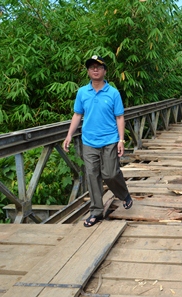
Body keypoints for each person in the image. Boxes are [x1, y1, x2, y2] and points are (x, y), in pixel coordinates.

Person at [63, 55, 133, 228]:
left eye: (98, 67)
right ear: (88, 71)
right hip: (89, 141)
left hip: (110, 140)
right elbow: (77, 114)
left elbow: (119, 117)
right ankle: (96, 211)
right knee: (92, 176)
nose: (95, 69)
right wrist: (69, 135)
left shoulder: (113, 92)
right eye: (92, 67)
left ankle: (124, 195)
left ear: (104, 70)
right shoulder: (82, 92)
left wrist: (121, 140)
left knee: (110, 173)